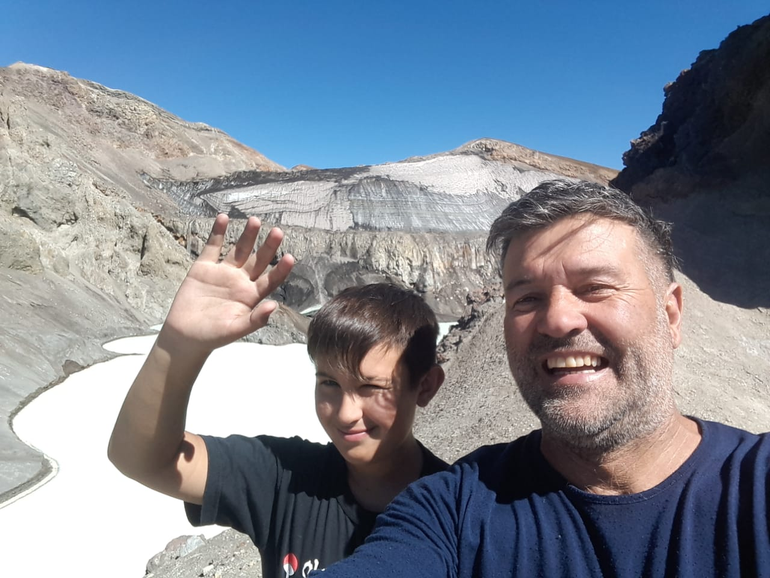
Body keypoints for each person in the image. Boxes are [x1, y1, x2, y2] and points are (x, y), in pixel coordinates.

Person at [316, 180, 770, 577]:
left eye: (595, 288)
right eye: (528, 298)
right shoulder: (451, 510)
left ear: (670, 315)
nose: (558, 319)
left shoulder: (758, 483)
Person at [107, 214, 447, 578]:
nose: (346, 413)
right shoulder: (285, 478)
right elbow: (143, 459)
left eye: (372, 388)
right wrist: (178, 343)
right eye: (329, 383)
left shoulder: (460, 510)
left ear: (424, 386)